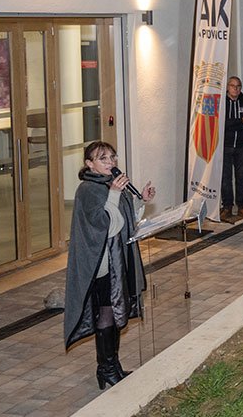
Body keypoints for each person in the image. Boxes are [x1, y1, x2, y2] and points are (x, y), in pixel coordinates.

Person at [64, 141, 153, 390]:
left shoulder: (110, 185)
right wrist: (114, 194)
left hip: (118, 259)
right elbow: (106, 225)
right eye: (103, 159)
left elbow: (126, 220)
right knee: (105, 314)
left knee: (115, 313)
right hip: (101, 265)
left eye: (112, 157)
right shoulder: (88, 190)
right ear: (89, 164)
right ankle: (105, 369)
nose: (110, 163)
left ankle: (113, 366)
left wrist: (139, 200)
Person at [220, 76, 243, 223]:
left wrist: (235, 123)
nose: (236, 89)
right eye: (233, 86)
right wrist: (240, 121)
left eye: (238, 86)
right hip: (225, 146)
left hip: (242, 146)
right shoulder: (222, 103)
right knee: (226, 179)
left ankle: (242, 206)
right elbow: (221, 124)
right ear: (227, 87)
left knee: (241, 178)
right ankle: (227, 206)